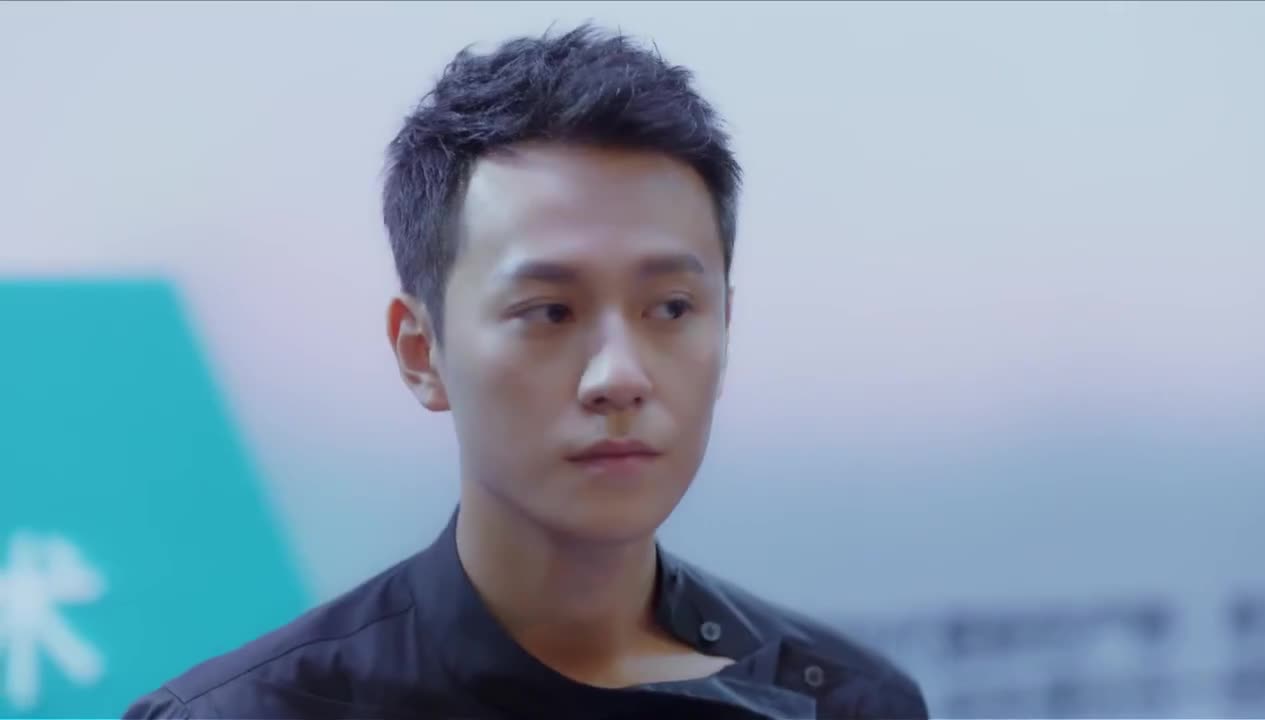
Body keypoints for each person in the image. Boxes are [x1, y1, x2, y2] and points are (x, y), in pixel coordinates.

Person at [124, 23, 928, 720]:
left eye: (671, 308)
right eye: (549, 312)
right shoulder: (247, 713)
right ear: (421, 352)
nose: (618, 376)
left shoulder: (843, 702)